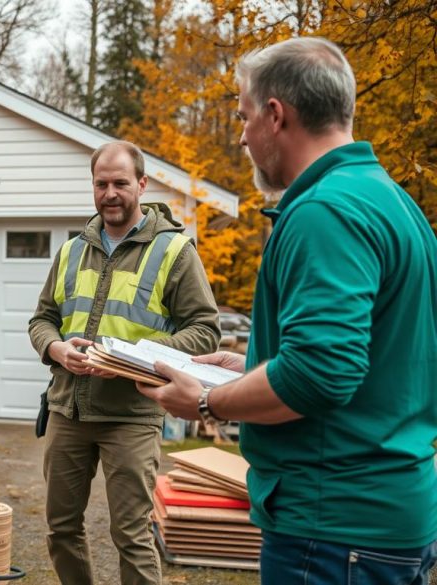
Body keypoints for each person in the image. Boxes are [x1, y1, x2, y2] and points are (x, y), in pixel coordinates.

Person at [136, 37, 437, 584]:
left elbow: (320, 373)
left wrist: (206, 400)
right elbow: (373, 357)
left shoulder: (323, 211)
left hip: (333, 527)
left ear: (276, 115)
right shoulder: (393, 203)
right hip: (387, 516)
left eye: (245, 116)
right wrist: (250, 365)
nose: (243, 136)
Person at [28, 140, 220, 584]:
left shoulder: (174, 251)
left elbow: (205, 330)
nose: (110, 193)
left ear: (142, 184)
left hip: (131, 416)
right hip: (67, 410)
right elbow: (43, 319)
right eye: (101, 184)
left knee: (131, 534)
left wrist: (130, 357)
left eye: (120, 183)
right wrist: (56, 349)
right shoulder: (73, 250)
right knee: (61, 529)